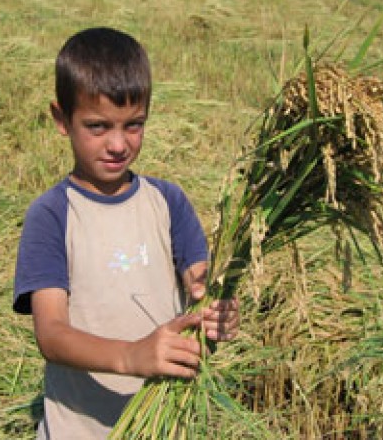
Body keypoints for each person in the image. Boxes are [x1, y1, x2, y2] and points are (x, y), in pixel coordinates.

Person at [13, 27, 240, 439]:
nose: (118, 144)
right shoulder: (52, 215)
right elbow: (52, 334)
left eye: (133, 125)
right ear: (62, 120)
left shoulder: (168, 202)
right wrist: (132, 357)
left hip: (165, 425)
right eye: (98, 127)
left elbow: (200, 288)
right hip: (80, 431)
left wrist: (215, 314)